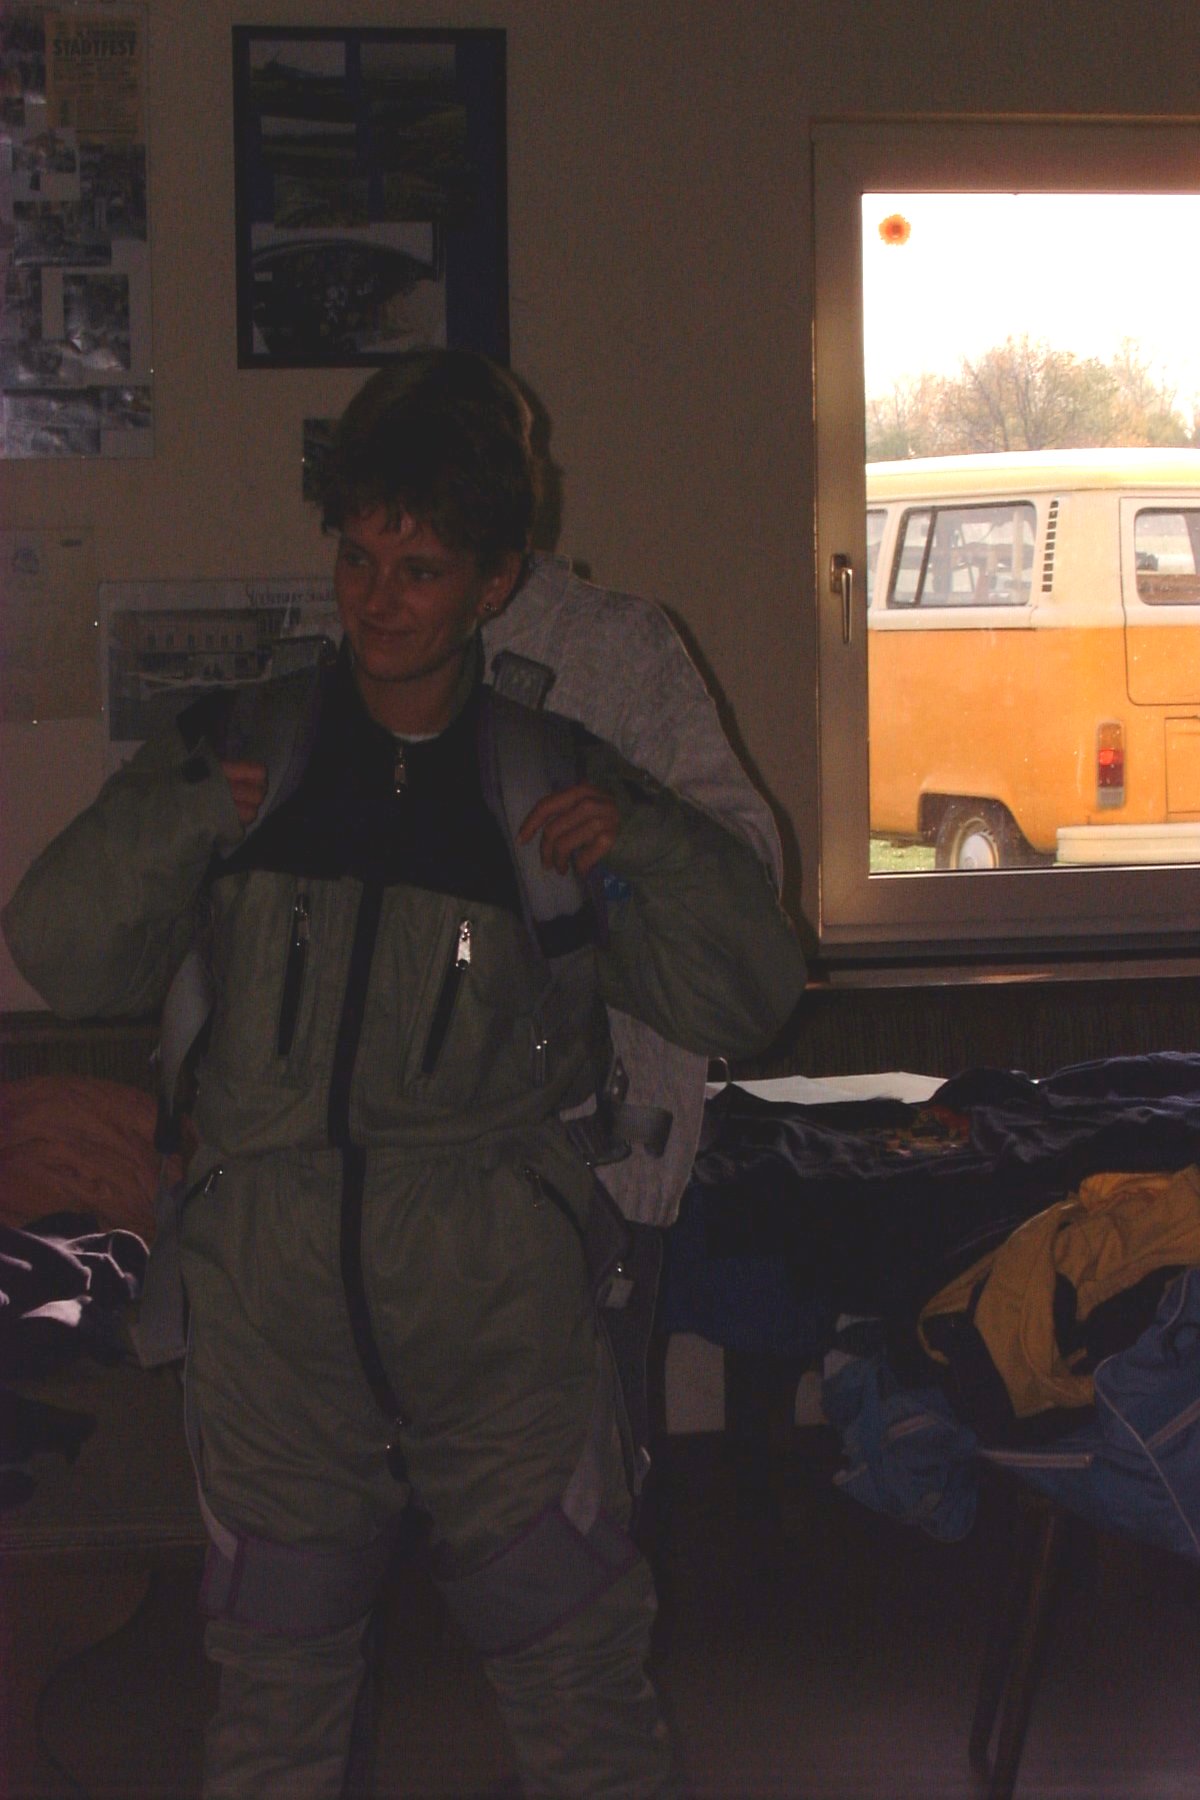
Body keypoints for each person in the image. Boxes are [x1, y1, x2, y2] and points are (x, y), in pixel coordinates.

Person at [2, 349, 808, 1800]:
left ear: (495, 583)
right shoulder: (245, 752)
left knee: (577, 1692)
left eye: (420, 568)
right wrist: (180, 815)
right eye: (359, 558)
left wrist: (642, 841)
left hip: (496, 1306)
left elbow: (748, 995)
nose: (378, 600)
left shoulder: (548, 775)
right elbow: (64, 953)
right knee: (275, 1704)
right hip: (274, 1315)